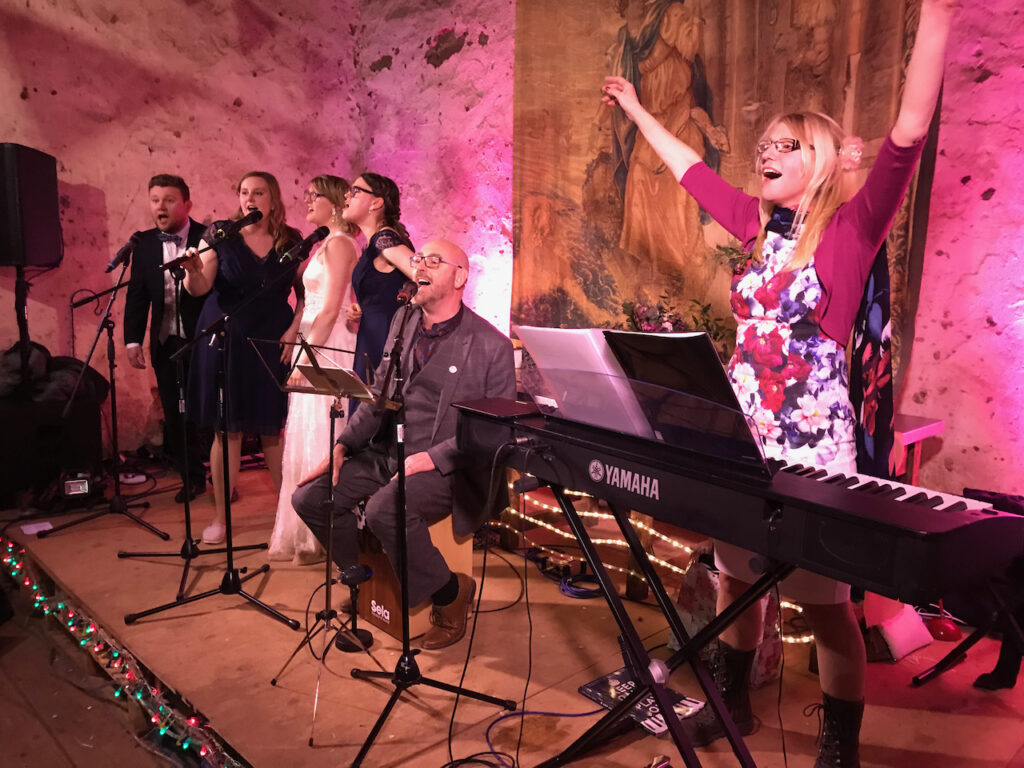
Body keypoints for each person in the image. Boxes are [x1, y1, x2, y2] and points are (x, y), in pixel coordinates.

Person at [601, 1, 957, 764]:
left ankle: (837, 745)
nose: (766, 152)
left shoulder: (853, 230)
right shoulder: (756, 228)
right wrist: (635, 107)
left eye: (785, 145)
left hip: (814, 449)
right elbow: (688, 170)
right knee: (735, 581)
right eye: (764, 144)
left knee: (828, 609)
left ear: (821, 160)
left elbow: (908, 132)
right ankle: (733, 702)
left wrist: (938, 18)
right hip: (744, 434)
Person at [292, 239, 515, 650]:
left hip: (450, 465)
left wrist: (430, 458)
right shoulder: (403, 320)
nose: (420, 267)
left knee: (385, 509)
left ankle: (450, 595)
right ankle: (367, 581)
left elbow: (494, 433)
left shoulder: (491, 345)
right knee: (309, 498)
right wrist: (343, 446)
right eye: (417, 259)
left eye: (433, 260)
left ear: (460, 276)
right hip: (389, 451)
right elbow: (378, 395)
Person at [182, 171, 303, 545]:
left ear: (273, 199)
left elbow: (306, 293)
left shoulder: (291, 240)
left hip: (272, 339)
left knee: (272, 428)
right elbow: (200, 285)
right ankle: (221, 516)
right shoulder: (221, 233)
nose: (250, 198)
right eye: (244, 192)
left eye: (259, 192)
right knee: (227, 428)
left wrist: (295, 328)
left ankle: (288, 516)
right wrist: (191, 273)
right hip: (227, 338)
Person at [268, 175, 360, 564]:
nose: (306, 201)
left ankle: (326, 528)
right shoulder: (323, 245)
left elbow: (332, 305)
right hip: (312, 339)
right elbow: (310, 303)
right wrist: (293, 332)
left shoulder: (341, 244)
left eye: (314, 196)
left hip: (328, 345)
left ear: (336, 204)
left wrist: (308, 359)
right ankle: (305, 528)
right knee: (306, 429)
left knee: (324, 428)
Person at [123, 174, 210, 503]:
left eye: (169, 199)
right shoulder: (143, 244)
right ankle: (192, 478)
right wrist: (133, 340)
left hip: (203, 338)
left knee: (208, 410)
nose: (160, 206)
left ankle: (223, 475)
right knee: (175, 412)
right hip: (165, 340)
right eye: (155, 199)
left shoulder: (207, 237)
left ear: (187, 204)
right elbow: (136, 296)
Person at [340, 173, 415, 410]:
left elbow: (422, 276)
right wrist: (363, 308)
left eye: (355, 191)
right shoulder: (374, 243)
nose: (346, 196)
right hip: (371, 335)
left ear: (376, 202)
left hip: (383, 339)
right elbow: (387, 289)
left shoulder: (385, 238)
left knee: (372, 415)